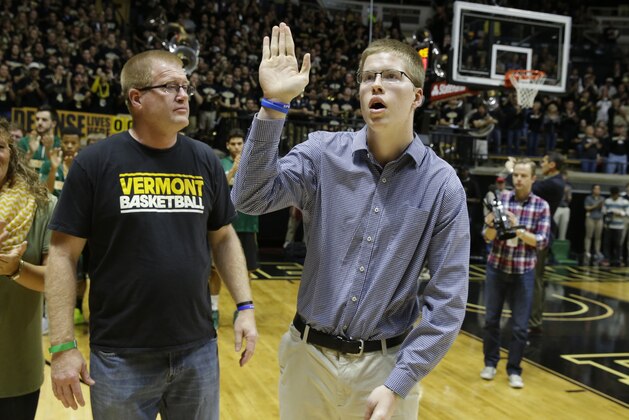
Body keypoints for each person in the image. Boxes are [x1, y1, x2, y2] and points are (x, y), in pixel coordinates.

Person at [232, 23, 469, 419]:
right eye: (367, 77)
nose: (376, 85)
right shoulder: (323, 153)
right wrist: (273, 106)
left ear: (417, 96)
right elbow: (250, 197)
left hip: (386, 367)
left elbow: (447, 301)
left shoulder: (442, 185)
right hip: (307, 357)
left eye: (392, 76)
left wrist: (399, 382)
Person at [44, 50, 258, 419]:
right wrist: (62, 345)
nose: (183, 95)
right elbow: (63, 255)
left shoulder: (204, 159)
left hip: (198, 350)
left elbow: (223, 238)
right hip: (120, 356)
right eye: (171, 86)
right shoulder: (95, 163)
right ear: (137, 98)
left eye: (186, 87)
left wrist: (245, 306)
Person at [0, 118, 57, 419]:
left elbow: (55, 280)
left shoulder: (44, 206)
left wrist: (14, 269)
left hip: (16, 369)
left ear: (10, 152)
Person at [481, 158, 550, 389]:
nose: (518, 179)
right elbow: (487, 238)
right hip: (497, 267)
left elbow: (541, 242)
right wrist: (491, 225)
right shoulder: (501, 200)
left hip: (524, 271)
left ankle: (514, 369)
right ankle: (490, 363)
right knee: (491, 320)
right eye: (516, 175)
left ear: (533, 178)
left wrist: (516, 228)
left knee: (520, 326)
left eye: (523, 175)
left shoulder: (541, 206)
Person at [209, 128, 260, 328]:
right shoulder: (220, 163)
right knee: (215, 271)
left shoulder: (253, 164)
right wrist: (234, 171)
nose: (237, 147)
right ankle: (213, 310)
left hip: (248, 224)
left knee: (246, 271)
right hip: (224, 224)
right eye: (234, 144)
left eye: (240, 144)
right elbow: (220, 187)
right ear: (227, 146)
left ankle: (242, 311)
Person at [529, 152, 565, 334]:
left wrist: (514, 170)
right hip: (539, 233)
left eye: (543, 161)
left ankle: (534, 320)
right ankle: (531, 318)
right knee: (535, 279)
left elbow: (529, 187)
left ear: (552, 165)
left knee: (535, 279)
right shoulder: (554, 181)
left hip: (541, 234)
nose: (540, 164)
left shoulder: (554, 183)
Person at [17, 105, 61, 174]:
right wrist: (30, 153)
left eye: (44, 120)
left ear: (53, 124)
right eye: (37, 119)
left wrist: (48, 151)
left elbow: (60, 172)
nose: (39, 122)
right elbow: (17, 168)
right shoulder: (24, 142)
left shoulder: (59, 144)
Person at [602, 186, 629, 267]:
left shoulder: (624, 202)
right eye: (612, 195)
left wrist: (620, 213)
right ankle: (607, 259)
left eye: (615, 195)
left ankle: (618, 259)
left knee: (618, 244)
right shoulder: (607, 201)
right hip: (609, 225)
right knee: (607, 243)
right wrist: (610, 212)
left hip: (619, 226)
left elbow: (627, 212)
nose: (614, 197)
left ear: (618, 194)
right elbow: (603, 211)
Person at [583, 184, 606, 265]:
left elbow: (604, 209)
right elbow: (587, 208)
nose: (597, 190)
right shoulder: (588, 198)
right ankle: (587, 252)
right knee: (589, 236)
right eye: (596, 189)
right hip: (590, 218)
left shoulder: (602, 198)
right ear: (592, 190)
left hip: (599, 218)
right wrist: (596, 205)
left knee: (598, 237)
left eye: (599, 189)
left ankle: (597, 252)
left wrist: (602, 206)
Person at [554, 170, 572, 241]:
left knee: (563, 228)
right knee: (554, 227)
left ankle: (561, 242)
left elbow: (569, 200)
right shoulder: (556, 184)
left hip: (565, 208)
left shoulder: (569, 186)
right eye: (563, 176)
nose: (564, 177)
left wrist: (567, 194)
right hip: (557, 208)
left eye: (566, 176)